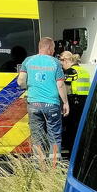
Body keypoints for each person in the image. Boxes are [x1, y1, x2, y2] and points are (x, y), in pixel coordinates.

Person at [17, 37, 69, 166]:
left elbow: (21, 81)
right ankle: (54, 166)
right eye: (53, 49)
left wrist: (30, 87)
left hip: (33, 104)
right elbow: (60, 85)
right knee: (54, 135)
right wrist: (66, 103)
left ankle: (39, 165)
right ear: (50, 48)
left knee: (37, 136)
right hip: (52, 104)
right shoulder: (55, 63)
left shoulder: (28, 61)